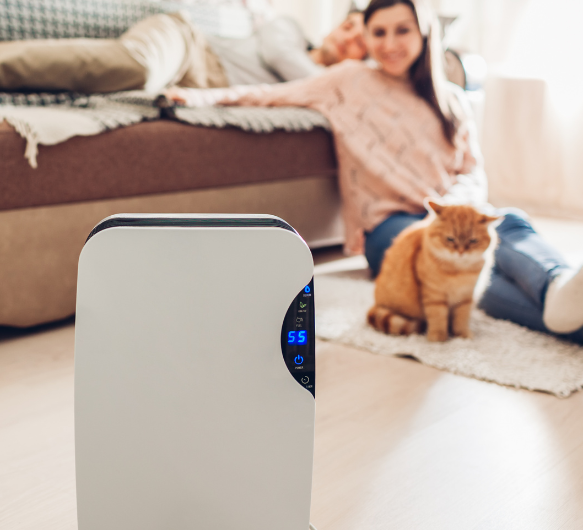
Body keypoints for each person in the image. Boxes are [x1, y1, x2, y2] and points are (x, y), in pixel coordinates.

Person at [166, 0, 583, 344]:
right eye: (377, 33)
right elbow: (269, 95)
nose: (389, 43)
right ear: (365, 38)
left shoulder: (452, 100)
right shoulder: (347, 80)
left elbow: (474, 173)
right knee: (445, 274)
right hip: (391, 226)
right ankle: (559, 302)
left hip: (450, 213)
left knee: (508, 224)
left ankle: (561, 292)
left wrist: (455, 207)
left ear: (423, 33)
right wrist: (198, 97)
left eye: (401, 30)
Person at [0, 10, 366, 98]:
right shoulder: (289, 31)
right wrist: (341, 77)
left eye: (361, 43)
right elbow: (283, 57)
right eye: (350, 27)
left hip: (197, 87)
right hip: (187, 45)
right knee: (137, 68)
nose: (349, 40)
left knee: (139, 80)